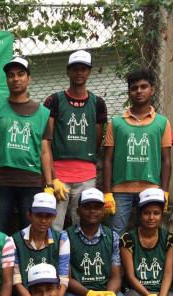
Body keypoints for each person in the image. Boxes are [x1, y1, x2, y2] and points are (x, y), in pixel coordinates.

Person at [0, 56, 56, 233]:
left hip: (31, 181)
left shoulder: (42, 113)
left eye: (21, 74)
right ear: (7, 79)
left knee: (30, 232)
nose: (16, 79)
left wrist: (49, 184)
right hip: (1, 181)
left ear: (28, 78)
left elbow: (45, 151)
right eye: (11, 75)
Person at [43, 50, 108, 231]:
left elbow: (97, 139)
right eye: (75, 68)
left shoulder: (98, 103)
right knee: (53, 227)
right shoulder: (54, 100)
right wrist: (52, 178)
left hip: (86, 176)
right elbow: (46, 140)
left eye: (83, 68)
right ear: (68, 71)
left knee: (84, 227)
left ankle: (77, 260)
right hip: (59, 175)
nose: (79, 72)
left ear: (89, 71)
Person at [103, 69, 172, 235]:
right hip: (120, 191)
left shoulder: (162, 122)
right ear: (129, 92)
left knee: (150, 233)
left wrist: (165, 191)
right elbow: (108, 160)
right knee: (116, 233)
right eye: (134, 88)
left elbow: (166, 160)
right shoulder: (116, 123)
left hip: (151, 189)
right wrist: (107, 193)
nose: (139, 91)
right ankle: (116, 262)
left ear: (152, 89)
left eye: (144, 86)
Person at [11, 192, 70, 296]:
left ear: (54, 217)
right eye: (39, 215)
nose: (43, 220)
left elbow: (64, 279)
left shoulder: (62, 239)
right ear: (29, 215)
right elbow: (17, 281)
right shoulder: (14, 241)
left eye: (48, 216)